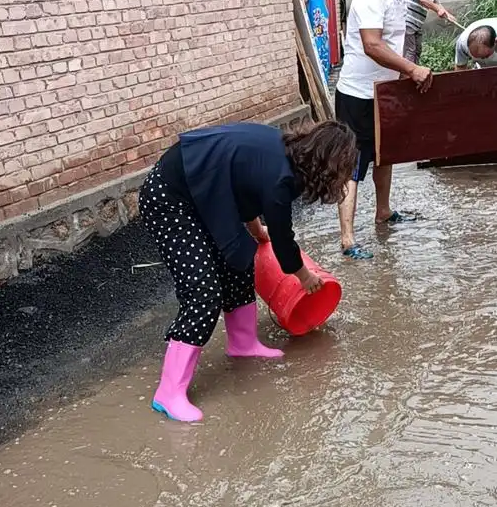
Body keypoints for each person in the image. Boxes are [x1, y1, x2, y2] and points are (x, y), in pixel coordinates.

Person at [139, 120, 357, 423]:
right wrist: (305, 277)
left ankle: (243, 344)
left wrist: (255, 231)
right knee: (203, 294)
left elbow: (243, 187)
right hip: (170, 198)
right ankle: (169, 392)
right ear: (327, 165)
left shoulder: (284, 154)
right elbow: (284, 242)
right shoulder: (281, 177)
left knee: (240, 256)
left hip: (203, 192)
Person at [335, 0, 433, 261]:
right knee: (352, 164)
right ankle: (347, 240)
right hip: (357, 95)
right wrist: (412, 68)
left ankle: (383, 212)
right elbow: (373, 45)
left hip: (383, 93)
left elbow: (392, 42)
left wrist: (404, 76)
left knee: (385, 155)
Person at [404, 0, 457, 64]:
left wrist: (447, 15)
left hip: (417, 25)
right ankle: (407, 77)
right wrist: (439, 10)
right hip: (408, 22)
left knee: (418, 50)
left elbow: (437, 2)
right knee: (410, 52)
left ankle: (414, 75)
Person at [301, 0, 332, 83]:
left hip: (323, 43)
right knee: (316, 80)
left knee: (324, 78)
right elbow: (300, 3)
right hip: (313, 46)